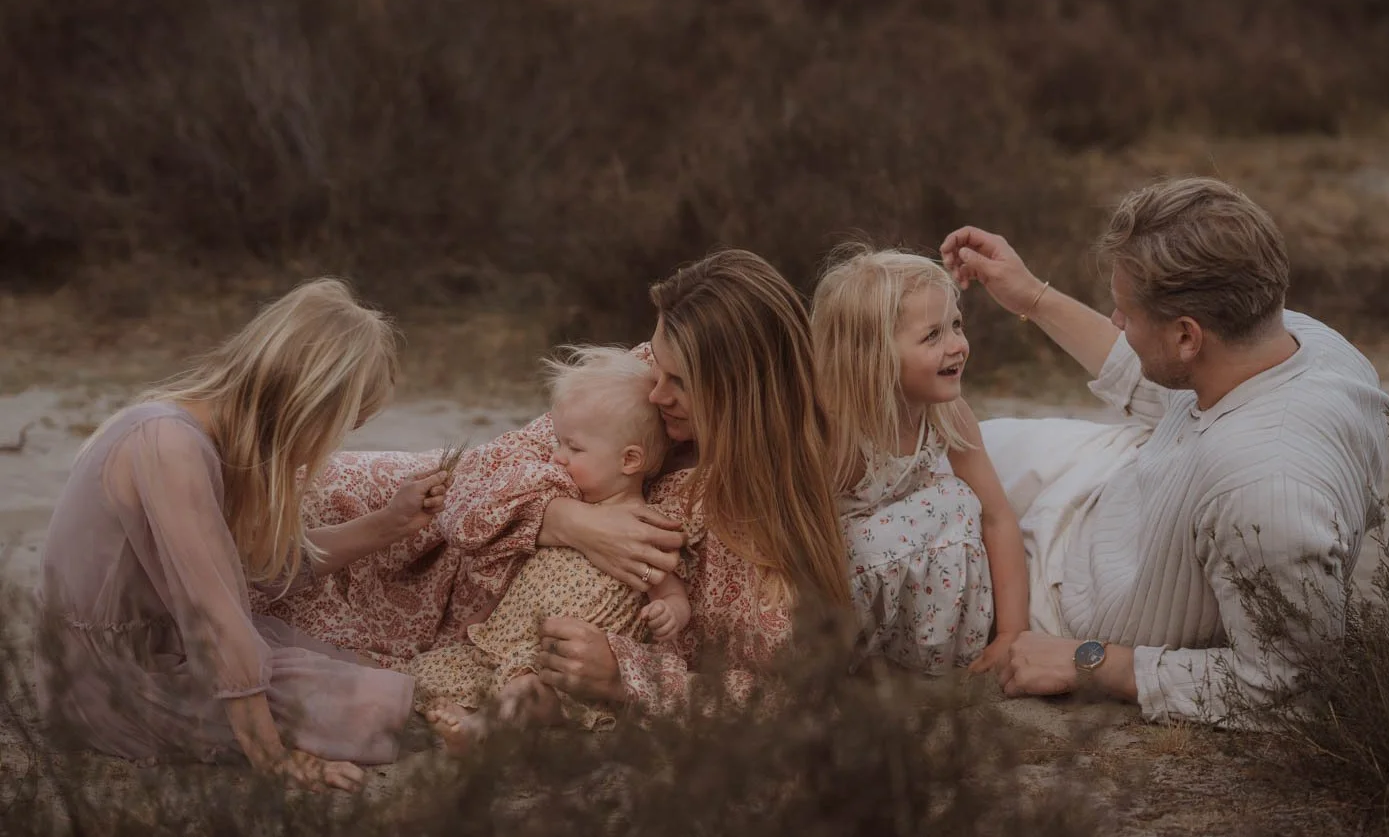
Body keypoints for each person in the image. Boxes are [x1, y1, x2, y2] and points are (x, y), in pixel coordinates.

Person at [262, 250, 852, 718]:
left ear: (741, 391)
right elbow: (477, 477)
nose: (653, 392)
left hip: (488, 639)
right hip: (422, 537)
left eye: (678, 381)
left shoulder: (762, 527)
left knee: (266, 642)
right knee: (274, 500)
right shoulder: (650, 382)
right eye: (656, 366)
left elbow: (786, 696)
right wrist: (571, 521)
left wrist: (627, 677)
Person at [940, 177, 1389, 725]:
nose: (1116, 321)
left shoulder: (1266, 495)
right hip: (1106, 479)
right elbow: (1159, 378)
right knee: (921, 447)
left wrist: (1091, 662)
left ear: (1186, 336)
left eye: (1125, 312)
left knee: (898, 529)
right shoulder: (1303, 341)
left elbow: (1292, 687)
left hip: (1066, 592)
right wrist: (1031, 294)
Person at [35, 279, 449, 791]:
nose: (335, 442)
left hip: (162, 649)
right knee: (356, 699)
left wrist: (387, 525)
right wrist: (273, 759)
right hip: (110, 684)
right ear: (308, 404)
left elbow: (256, 577)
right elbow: (215, 622)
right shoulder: (169, 445)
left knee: (347, 662)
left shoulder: (201, 438)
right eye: (344, 425)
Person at [407, 346, 694, 752]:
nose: (557, 457)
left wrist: (671, 611)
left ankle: (482, 729)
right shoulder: (560, 500)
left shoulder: (646, 525)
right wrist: (487, 617)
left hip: (560, 668)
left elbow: (669, 587)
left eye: (573, 448)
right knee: (442, 669)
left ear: (629, 460)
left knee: (528, 690)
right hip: (509, 643)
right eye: (559, 443)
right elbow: (524, 579)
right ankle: (464, 719)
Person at [811, 245, 1030, 676]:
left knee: (958, 499)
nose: (957, 346)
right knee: (928, 508)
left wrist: (1013, 634)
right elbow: (800, 539)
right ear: (871, 355)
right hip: (842, 599)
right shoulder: (839, 431)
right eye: (933, 336)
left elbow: (998, 518)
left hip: (914, 599)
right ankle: (852, 662)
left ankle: (936, 656)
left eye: (956, 325)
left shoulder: (949, 414)